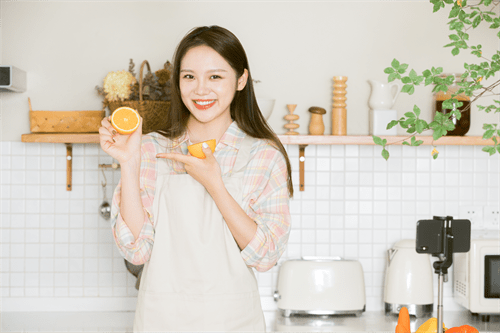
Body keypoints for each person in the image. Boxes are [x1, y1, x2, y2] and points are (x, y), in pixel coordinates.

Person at [99, 25, 293, 332]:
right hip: (161, 320)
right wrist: (129, 161)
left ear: (241, 79)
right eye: (189, 76)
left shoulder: (263, 156)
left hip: (234, 321)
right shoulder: (150, 147)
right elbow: (137, 250)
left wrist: (215, 185)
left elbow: (267, 254)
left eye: (215, 76)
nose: (200, 90)